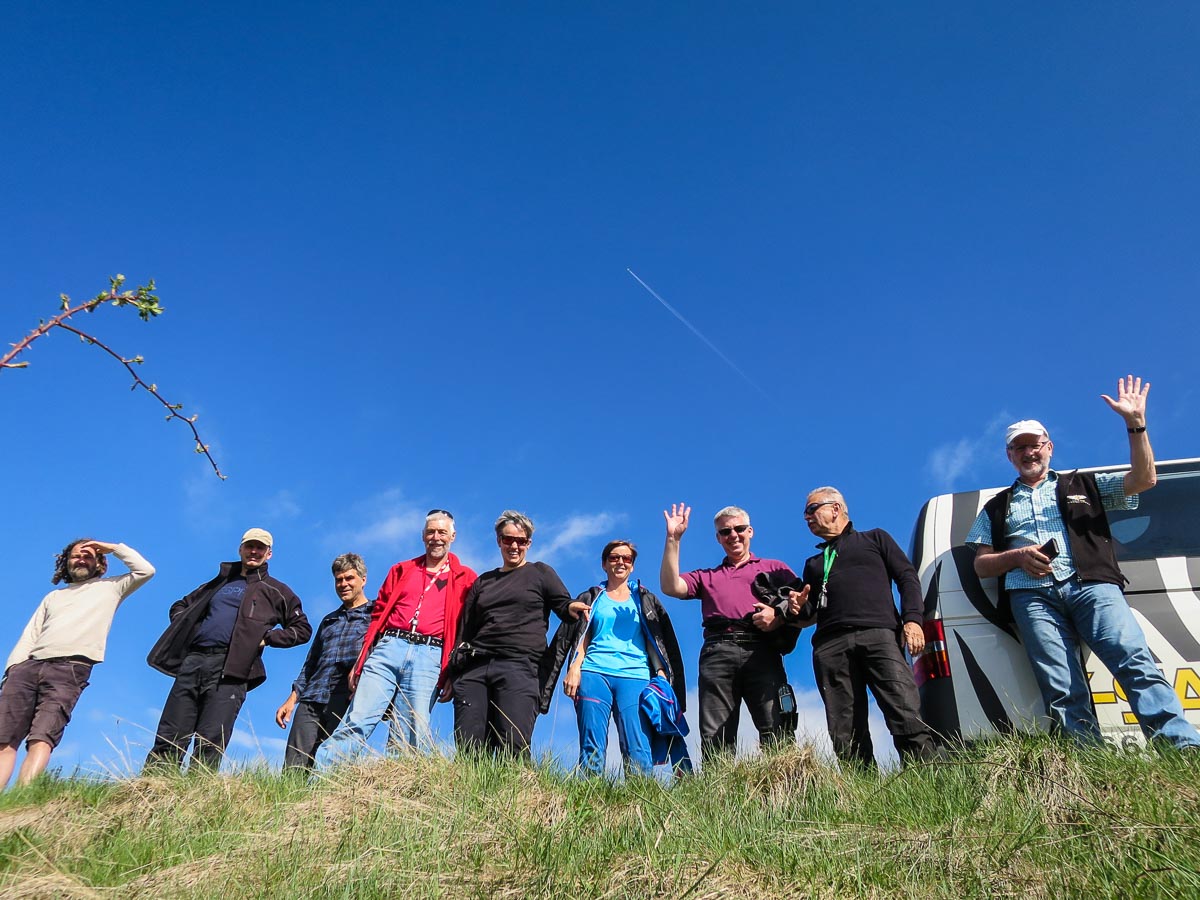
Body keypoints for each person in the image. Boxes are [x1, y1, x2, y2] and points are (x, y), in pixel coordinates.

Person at [966, 375, 1200, 750]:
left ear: (1049, 448)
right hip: (1032, 598)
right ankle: (1087, 760)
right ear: (1009, 455)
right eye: (1019, 447)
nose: (1028, 453)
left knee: (1133, 660)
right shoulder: (996, 506)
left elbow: (1144, 479)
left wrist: (1135, 424)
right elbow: (982, 565)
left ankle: (1180, 746)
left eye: (1034, 445)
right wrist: (1017, 556)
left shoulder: (1084, 484)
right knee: (1061, 686)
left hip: (1093, 586)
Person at [315, 511, 476, 768]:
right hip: (390, 645)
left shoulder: (466, 577)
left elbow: (466, 626)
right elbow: (378, 614)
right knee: (358, 718)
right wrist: (363, 658)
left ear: (453, 536)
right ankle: (322, 779)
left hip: (431, 653)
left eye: (442, 532)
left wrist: (452, 673)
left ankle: (397, 787)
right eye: (431, 532)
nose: (436, 537)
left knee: (411, 730)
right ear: (423, 536)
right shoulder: (402, 569)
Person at [793, 488, 937, 769]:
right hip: (830, 646)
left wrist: (912, 619)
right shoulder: (813, 564)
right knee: (844, 728)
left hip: (879, 635)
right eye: (805, 513)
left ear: (836, 508)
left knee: (904, 711)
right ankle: (861, 789)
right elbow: (810, 612)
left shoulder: (875, 538)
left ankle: (926, 778)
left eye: (812, 509)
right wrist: (797, 608)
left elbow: (907, 577)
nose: (807, 518)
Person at [145, 528, 311, 771]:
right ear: (240, 549)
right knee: (171, 732)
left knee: (211, 739)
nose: (254, 551)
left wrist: (266, 638)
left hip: (232, 669)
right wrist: (189, 627)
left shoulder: (277, 591)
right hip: (194, 661)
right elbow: (180, 606)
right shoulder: (219, 582)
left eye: (260, 548)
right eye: (250, 546)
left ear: (269, 554)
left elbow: (302, 629)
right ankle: (153, 785)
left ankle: (196, 789)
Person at [0, 540, 154, 788]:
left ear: (99, 562)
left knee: (42, 736)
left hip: (69, 668)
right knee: (4, 739)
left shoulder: (112, 587)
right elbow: (31, 634)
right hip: (27, 668)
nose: (81, 559)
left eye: (88, 556)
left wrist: (113, 547)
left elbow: (145, 570)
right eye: (75, 556)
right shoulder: (54, 596)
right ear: (66, 562)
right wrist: (12, 669)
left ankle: (23, 797)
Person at [659, 504, 798, 760]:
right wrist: (673, 539)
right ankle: (719, 784)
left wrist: (777, 615)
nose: (733, 535)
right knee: (716, 735)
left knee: (776, 725)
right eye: (725, 532)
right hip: (717, 651)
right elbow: (670, 586)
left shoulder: (775, 568)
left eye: (739, 529)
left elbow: (801, 602)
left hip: (762, 650)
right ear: (718, 538)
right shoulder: (707, 576)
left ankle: (786, 783)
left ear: (750, 531)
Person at [542, 540, 687, 776]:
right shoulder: (592, 597)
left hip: (635, 675)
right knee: (591, 745)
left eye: (626, 558)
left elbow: (656, 638)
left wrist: (662, 674)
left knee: (637, 747)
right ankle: (590, 795)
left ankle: (640, 796)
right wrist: (574, 668)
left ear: (632, 566)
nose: (620, 562)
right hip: (594, 673)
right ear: (604, 564)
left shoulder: (644, 599)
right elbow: (582, 636)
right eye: (614, 557)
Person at [446, 510, 579, 759]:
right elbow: (466, 629)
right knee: (468, 745)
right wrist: (453, 673)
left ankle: (515, 784)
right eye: (508, 539)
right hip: (475, 667)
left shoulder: (540, 573)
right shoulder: (484, 582)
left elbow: (563, 604)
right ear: (499, 541)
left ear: (529, 543)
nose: (514, 546)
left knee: (513, 743)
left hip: (519, 665)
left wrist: (572, 607)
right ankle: (471, 784)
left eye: (521, 541)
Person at [275, 554, 373, 771]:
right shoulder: (329, 620)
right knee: (294, 765)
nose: (343, 584)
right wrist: (292, 699)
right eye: (339, 580)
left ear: (363, 579)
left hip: (347, 697)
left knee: (335, 764)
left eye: (349, 578)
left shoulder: (376, 615)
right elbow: (310, 664)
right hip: (312, 697)